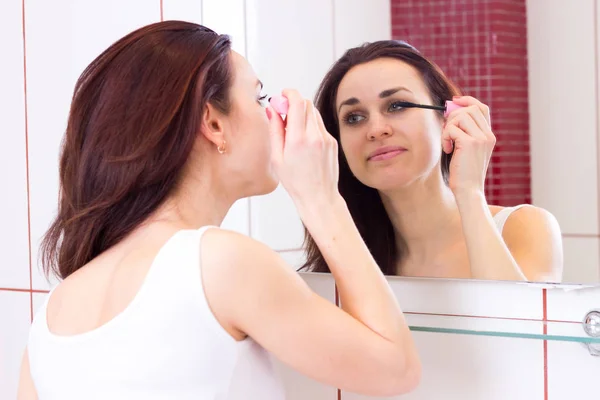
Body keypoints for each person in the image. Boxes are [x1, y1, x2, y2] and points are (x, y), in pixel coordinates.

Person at [16, 22, 421, 399]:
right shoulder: (220, 262)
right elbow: (396, 371)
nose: (272, 114)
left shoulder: (53, 312)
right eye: (259, 97)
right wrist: (322, 199)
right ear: (213, 123)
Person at [301, 40, 563, 282]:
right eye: (354, 118)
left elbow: (516, 330)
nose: (376, 129)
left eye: (397, 105)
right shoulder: (345, 256)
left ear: (447, 118)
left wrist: (470, 193)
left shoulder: (523, 228)